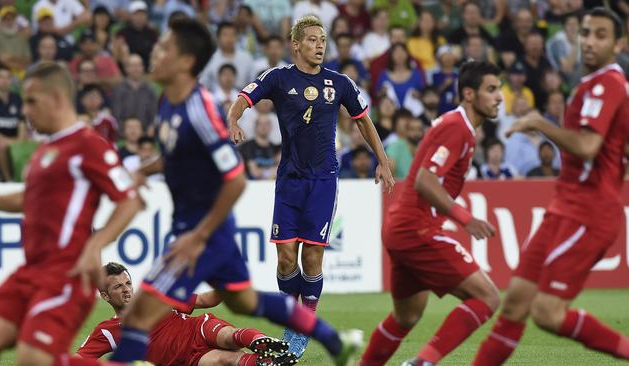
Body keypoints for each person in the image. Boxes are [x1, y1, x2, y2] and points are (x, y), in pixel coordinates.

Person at [109, 18, 363, 366]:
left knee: (141, 312)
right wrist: (143, 170)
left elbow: (235, 179)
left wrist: (200, 233)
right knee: (245, 302)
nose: (155, 54)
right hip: (201, 232)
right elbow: (175, 157)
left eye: (164, 48)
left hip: (200, 234)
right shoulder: (169, 104)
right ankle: (336, 342)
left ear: (184, 61)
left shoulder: (197, 109)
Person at [228, 14, 395, 359]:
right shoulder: (278, 77)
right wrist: (233, 119)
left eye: (323, 40)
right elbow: (245, 98)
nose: (320, 45)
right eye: (313, 40)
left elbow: (363, 122)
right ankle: (293, 316)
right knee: (286, 256)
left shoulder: (340, 83)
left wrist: (382, 159)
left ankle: (302, 323)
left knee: (313, 255)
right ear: (296, 45)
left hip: (323, 181)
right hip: (289, 179)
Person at [472, 8, 629, 365]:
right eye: (586, 32)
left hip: (588, 212)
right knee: (514, 303)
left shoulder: (608, 82)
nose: (589, 41)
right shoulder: (594, 85)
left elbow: (588, 146)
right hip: (565, 207)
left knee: (547, 312)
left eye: (600, 35)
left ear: (618, 44)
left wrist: (540, 122)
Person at [0, 62, 143, 366]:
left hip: (67, 275)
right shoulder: (43, 151)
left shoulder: (89, 144)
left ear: (55, 98)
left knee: (33, 358)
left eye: (31, 101)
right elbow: (26, 199)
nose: (24, 111)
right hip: (31, 271)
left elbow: (130, 201)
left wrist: (95, 245)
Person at [360, 61, 502, 366]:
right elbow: (426, 180)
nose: (499, 97)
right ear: (468, 93)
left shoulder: (459, 127)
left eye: (499, 89)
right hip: (416, 229)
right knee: (488, 298)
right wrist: (466, 218)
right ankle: (423, 363)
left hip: (401, 228)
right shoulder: (457, 127)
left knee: (406, 316)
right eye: (491, 89)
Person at [78, 262, 295, 366]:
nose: (126, 289)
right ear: (105, 296)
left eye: (128, 283)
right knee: (225, 359)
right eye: (118, 287)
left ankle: (265, 342)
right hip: (187, 359)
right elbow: (78, 359)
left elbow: (204, 300)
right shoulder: (108, 331)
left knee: (228, 336)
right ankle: (269, 363)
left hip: (198, 329)